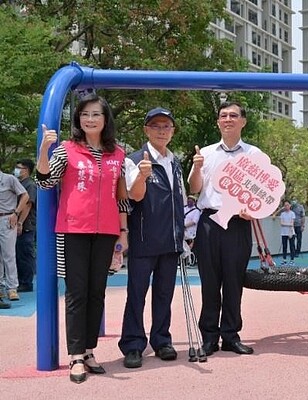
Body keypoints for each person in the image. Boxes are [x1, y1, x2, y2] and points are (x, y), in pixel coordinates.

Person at [36, 93, 129, 383]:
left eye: (96, 114)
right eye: (85, 114)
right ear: (78, 119)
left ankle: (89, 350)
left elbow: (121, 197)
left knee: (96, 293)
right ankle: (75, 355)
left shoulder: (118, 154)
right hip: (73, 229)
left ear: (105, 120)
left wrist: (123, 232)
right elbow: (45, 181)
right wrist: (44, 150)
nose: (90, 119)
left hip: (107, 231)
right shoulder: (66, 150)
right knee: (76, 293)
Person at [188, 101, 262, 356]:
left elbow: (264, 194)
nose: (228, 119)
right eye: (223, 115)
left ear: (243, 121)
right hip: (209, 223)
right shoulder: (205, 153)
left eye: (233, 115)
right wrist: (196, 167)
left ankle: (230, 335)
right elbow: (194, 188)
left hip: (238, 223)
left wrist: (254, 211)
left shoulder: (255, 155)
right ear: (218, 122)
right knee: (209, 282)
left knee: (234, 282)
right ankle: (209, 337)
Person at [119, 107, 185, 369]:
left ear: (172, 131)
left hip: (171, 241)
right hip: (144, 239)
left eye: (166, 126)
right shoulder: (134, 159)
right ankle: (133, 344)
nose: (161, 130)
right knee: (136, 294)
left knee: (164, 294)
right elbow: (133, 196)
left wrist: (183, 235)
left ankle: (161, 340)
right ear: (146, 129)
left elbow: (179, 199)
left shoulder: (175, 161)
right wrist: (144, 176)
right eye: (155, 125)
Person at [0, 164, 29, 303]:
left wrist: (16, 213)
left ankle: (12, 288)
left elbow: (25, 196)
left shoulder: (9, 179)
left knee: (8, 254)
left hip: (7, 218)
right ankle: (1, 287)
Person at [14, 159, 37, 293]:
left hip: (26, 224)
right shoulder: (20, 183)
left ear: (26, 170)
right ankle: (21, 281)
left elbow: (28, 205)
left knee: (25, 253)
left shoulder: (30, 185)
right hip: (20, 224)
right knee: (18, 253)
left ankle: (26, 282)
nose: (16, 169)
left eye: (19, 167)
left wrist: (20, 222)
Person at [279, 200, 296, 266]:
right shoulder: (282, 214)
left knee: (292, 246)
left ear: (290, 205)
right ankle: (284, 260)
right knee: (284, 246)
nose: (286, 206)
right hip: (283, 233)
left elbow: (292, 223)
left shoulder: (292, 213)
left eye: (287, 205)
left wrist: (287, 224)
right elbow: (281, 223)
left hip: (291, 232)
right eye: (285, 205)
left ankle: (292, 260)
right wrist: (289, 224)